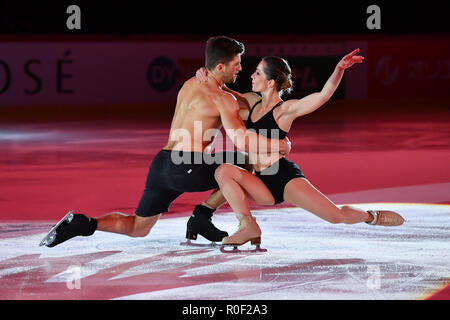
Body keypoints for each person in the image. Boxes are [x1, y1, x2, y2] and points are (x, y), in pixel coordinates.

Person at [39, 36, 291, 248]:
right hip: (187, 166)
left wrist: (218, 86)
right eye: (236, 64)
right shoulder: (224, 99)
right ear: (221, 67)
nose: (240, 68)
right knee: (244, 164)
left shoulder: (191, 84)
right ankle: (204, 217)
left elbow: (235, 100)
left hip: (161, 165)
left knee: (139, 227)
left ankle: (84, 223)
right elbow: (240, 136)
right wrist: (279, 146)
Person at [196, 49, 405, 248]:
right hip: (260, 180)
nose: (252, 75)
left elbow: (322, 96)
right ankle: (247, 226)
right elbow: (222, 93)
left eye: (257, 73)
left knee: (335, 216)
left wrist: (339, 69)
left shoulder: (285, 110)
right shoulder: (251, 102)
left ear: (270, 82)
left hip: (283, 177)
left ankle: (371, 216)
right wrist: (204, 75)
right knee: (223, 171)